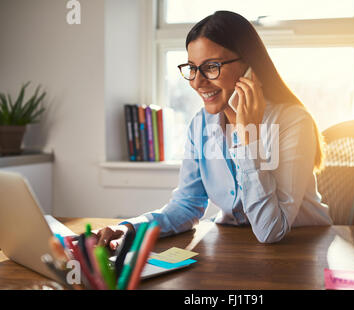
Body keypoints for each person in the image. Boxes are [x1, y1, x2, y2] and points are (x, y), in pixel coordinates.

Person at [94, 10, 332, 247]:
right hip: (236, 248)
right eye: (192, 68)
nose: (197, 82)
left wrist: (248, 137)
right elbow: (187, 205)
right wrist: (128, 228)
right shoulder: (200, 124)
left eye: (211, 67)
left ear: (249, 66)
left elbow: (271, 230)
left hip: (302, 248)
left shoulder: (292, 122)